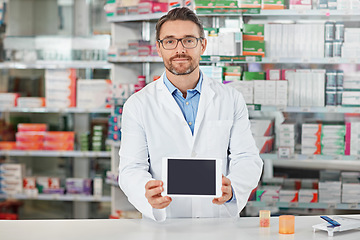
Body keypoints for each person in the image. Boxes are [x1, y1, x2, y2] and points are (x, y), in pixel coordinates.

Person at [119, 7, 263, 222]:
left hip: (218, 219)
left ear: (202, 45)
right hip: (166, 221)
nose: (180, 49)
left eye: (188, 40)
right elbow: (131, 168)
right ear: (159, 48)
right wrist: (146, 193)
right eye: (169, 41)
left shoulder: (230, 98)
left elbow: (247, 158)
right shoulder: (138, 104)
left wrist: (233, 188)